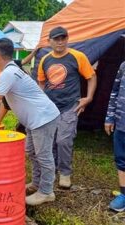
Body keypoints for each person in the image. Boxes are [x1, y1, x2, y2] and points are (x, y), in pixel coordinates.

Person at [0, 38, 60, 206]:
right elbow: (6, 101)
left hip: (43, 118)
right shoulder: (10, 69)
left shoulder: (8, 73)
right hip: (34, 120)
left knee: (43, 156)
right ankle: (37, 183)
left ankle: (46, 191)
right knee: (32, 152)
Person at [37, 26, 97, 188]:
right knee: (51, 141)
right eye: (56, 39)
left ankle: (65, 173)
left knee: (64, 140)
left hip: (70, 105)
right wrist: (41, 100)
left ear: (67, 39)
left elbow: (91, 76)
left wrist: (88, 98)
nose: (60, 42)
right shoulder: (45, 59)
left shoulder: (77, 57)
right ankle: (54, 169)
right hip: (50, 107)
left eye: (63, 38)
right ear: (49, 41)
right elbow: (42, 81)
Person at [105, 61, 125, 212]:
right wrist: (110, 117)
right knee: (121, 159)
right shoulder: (123, 65)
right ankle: (124, 195)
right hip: (121, 122)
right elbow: (114, 91)